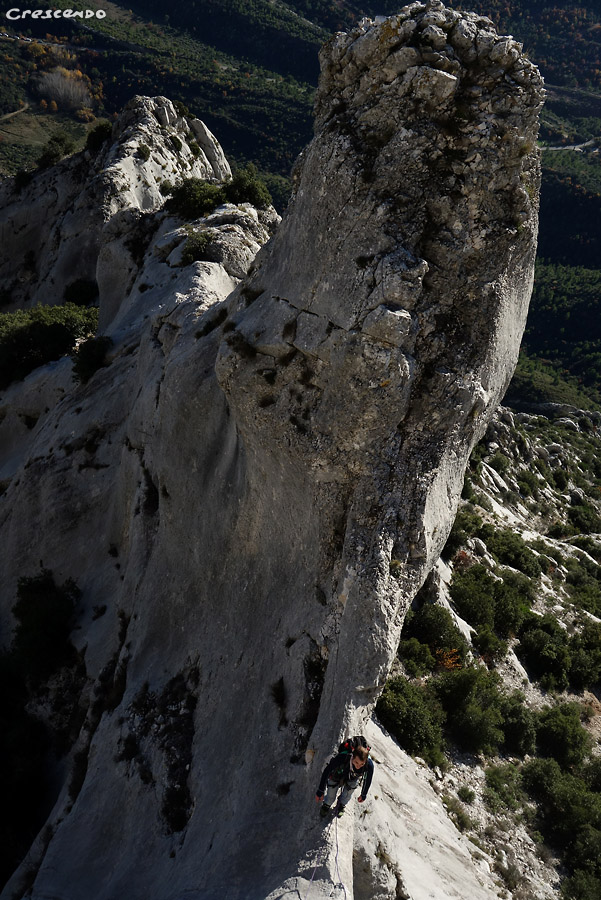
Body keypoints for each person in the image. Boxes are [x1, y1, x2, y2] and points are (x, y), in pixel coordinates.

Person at [315, 744, 374, 817]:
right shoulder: (343, 757)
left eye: (362, 764)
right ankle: (327, 804)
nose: (358, 766)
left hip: (352, 777)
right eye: (356, 762)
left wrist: (363, 794)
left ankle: (341, 805)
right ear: (352, 757)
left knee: (349, 791)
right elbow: (327, 770)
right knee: (331, 793)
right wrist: (321, 790)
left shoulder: (369, 765)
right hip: (337, 774)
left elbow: (368, 779)